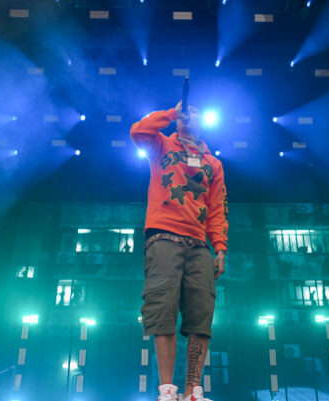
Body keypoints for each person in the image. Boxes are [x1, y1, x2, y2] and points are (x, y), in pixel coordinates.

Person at [130, 101, 228, 401]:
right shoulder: (161, 145)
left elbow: (217, 208)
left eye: (196, 111)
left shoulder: (213, 163)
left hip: (199, 244)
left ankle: (192, 391)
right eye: (187, 111)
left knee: (202, 314)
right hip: (163, 236)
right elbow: (137, 131)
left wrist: (220, 247)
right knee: (163, 309)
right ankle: (167, 391)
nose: (190, 114)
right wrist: (172, 112)